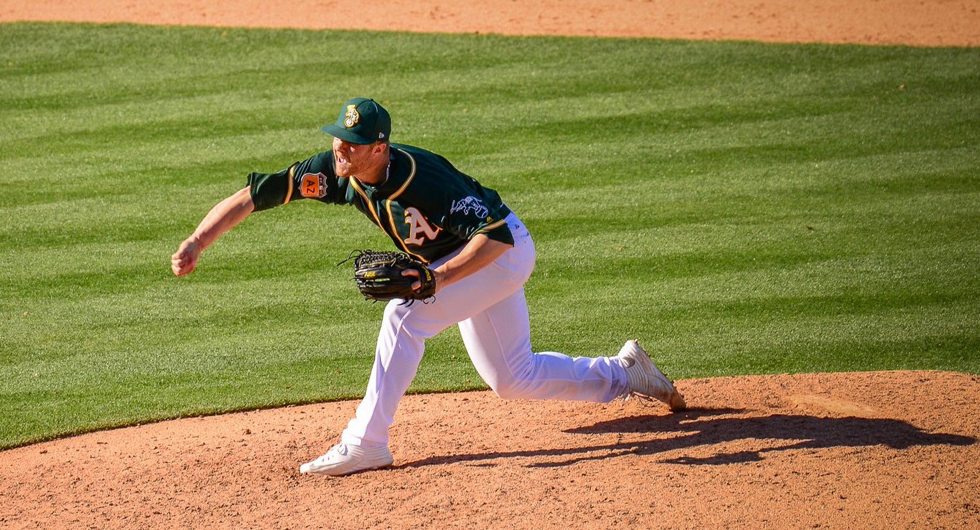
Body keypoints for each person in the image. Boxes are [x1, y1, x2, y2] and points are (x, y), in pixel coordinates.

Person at [170, 97, 685, 476]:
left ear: (379, 146)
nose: (338, 150)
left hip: (500, 256)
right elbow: (256, 196)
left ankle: (367, 441)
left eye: (350, 144)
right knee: (513, 378)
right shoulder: (334, 171)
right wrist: (197, 240)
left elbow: (496, 237)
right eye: (336, 139)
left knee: (404, 314)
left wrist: (435, 278)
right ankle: (626, 373)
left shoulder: (424, 179)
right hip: (465, 261)